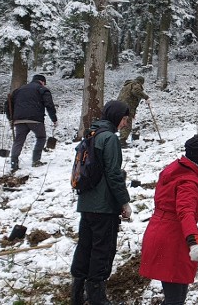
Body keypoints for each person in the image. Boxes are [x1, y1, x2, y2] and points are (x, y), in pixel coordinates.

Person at [70, 100, 132, 305]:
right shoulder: (109, 139)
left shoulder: (91, 135)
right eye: (124, 119)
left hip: (86, 202)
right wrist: (124, 202)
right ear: (116, 117)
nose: (125, 124)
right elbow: (113, 175)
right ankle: (97, 298)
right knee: (102, 250)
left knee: (85, 247)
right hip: (104, 206)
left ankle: (77, 294)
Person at [139, 135, 198, 305]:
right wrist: (194, 242)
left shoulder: (175, 170)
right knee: (176, 300)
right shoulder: (190, 181)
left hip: (160, 230)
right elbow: (185, 212)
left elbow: (171, 203)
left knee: (176, 298)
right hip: (173, 240)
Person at [5, 74, 57, 170]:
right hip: (35, 119)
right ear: (42, 81)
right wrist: (54, 118)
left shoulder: (18, 90)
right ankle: (36, 161)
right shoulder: (41, 89)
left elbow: (8, 104)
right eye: (44, 83)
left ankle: (14, 162)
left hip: (19, 120)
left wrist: (11, 119)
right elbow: (49, 104)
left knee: (18, 141)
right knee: (41, 137)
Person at [116, 76, 150, 144]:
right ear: (141, 82)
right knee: (127, 123)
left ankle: (118, 139)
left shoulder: (127, 85)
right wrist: (146, 97)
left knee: (121, 123)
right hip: (127, 107)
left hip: (118, 105)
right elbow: (136, 91)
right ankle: (122, 141)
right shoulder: (136, 84)